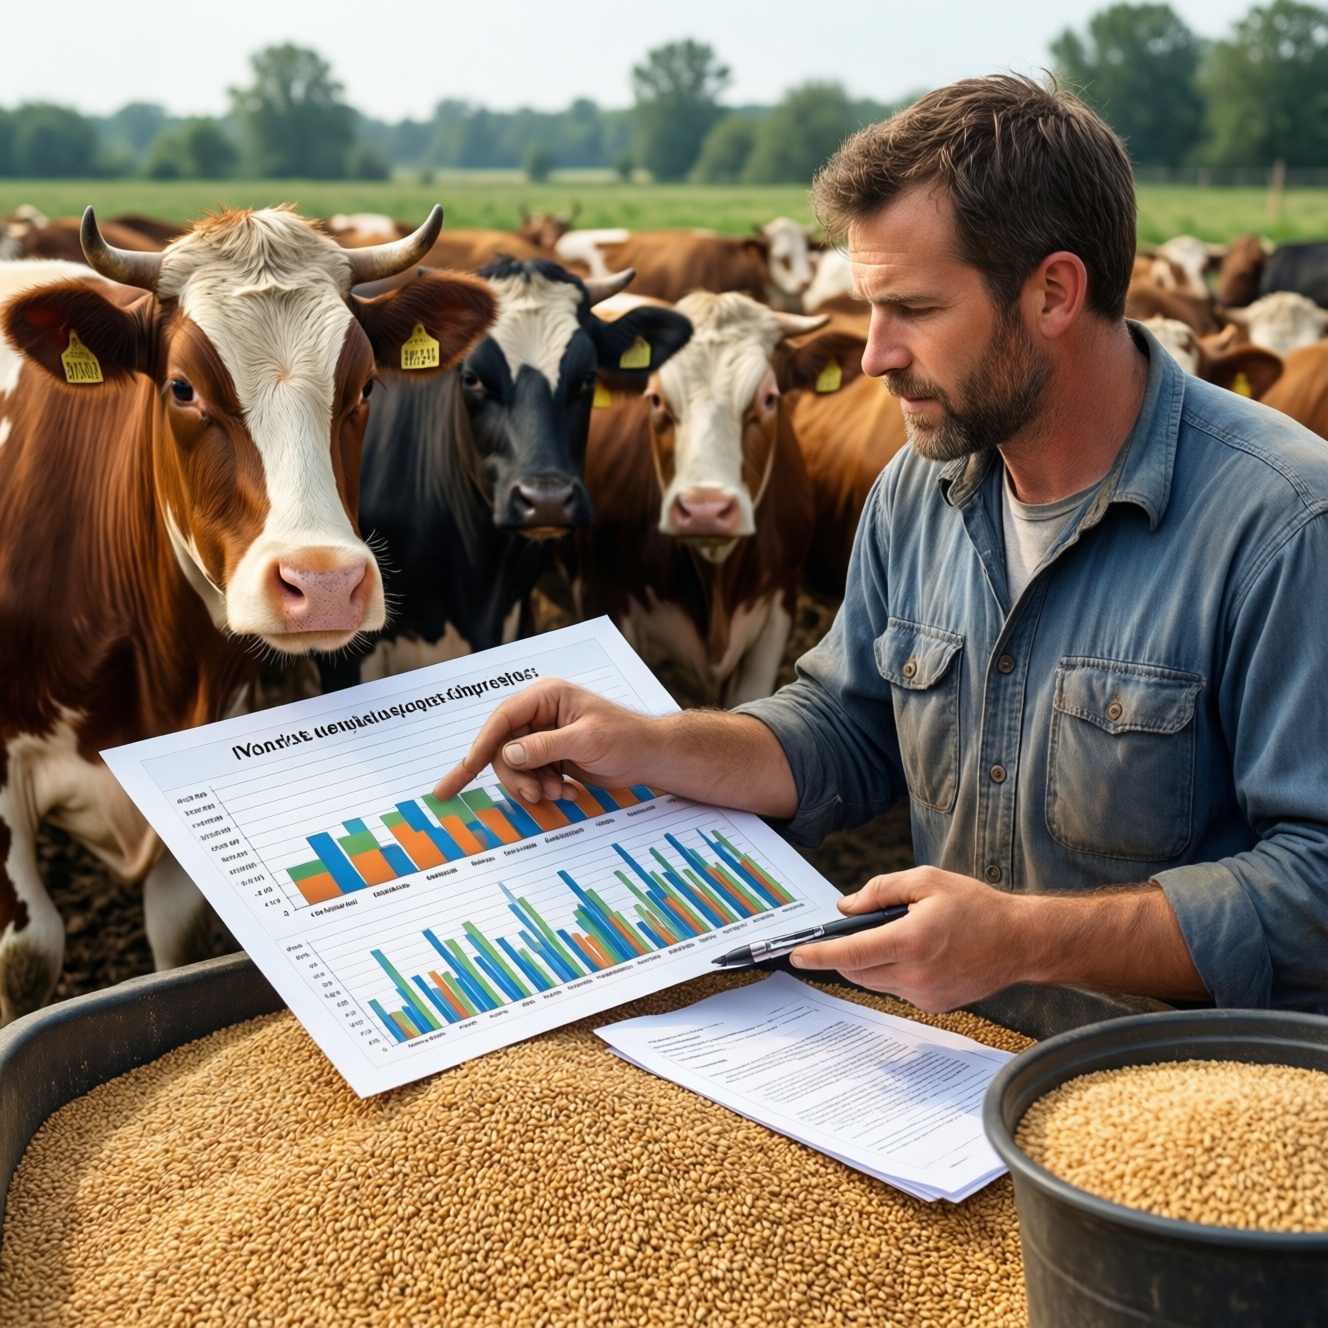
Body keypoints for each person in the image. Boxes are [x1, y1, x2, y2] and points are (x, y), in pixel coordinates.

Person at [434, 75, 1328, 1015]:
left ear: (1055, 293)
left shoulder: (1284, 524)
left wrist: (1023, 940)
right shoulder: (917, 487)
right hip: (948, 1071)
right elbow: (850, 727)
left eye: (917, 310)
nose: (871, 357)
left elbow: (1316, 885)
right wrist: (649, 743)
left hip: (1173, 1103)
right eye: (869, 309)